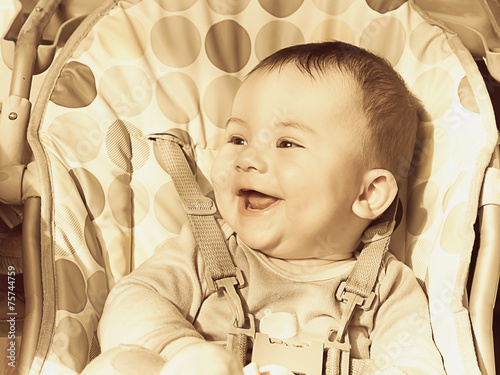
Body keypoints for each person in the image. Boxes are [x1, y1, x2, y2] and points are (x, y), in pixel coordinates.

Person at [86, 42, 445, 375]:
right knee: (118, 364)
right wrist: (180, 352)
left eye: (287, 143)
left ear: (368, 194)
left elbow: (415, 364)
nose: (247, 157)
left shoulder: (387, 288)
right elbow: (131, 300)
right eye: (237, 139)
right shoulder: (207, 252)